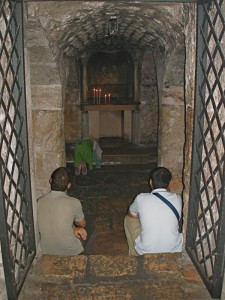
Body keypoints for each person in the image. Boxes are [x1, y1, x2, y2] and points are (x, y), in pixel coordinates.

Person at [124, 167, 183, 255]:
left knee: (128, 219)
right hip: (173, 249)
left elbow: (131, 214)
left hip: (146, 251)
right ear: (169, 183)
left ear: (151, 182)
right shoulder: (178, 199)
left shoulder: (141, 198)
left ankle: (134, 256)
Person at [37, 167, 94, 256]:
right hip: (70, 250)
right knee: (90, 221)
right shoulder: (74, 202)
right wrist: (75, 228)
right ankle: (85, 256)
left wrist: (73, 229)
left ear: (50, 181)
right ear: (69, 185)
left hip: (46, 249)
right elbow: (82, 224)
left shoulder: (39, 201)